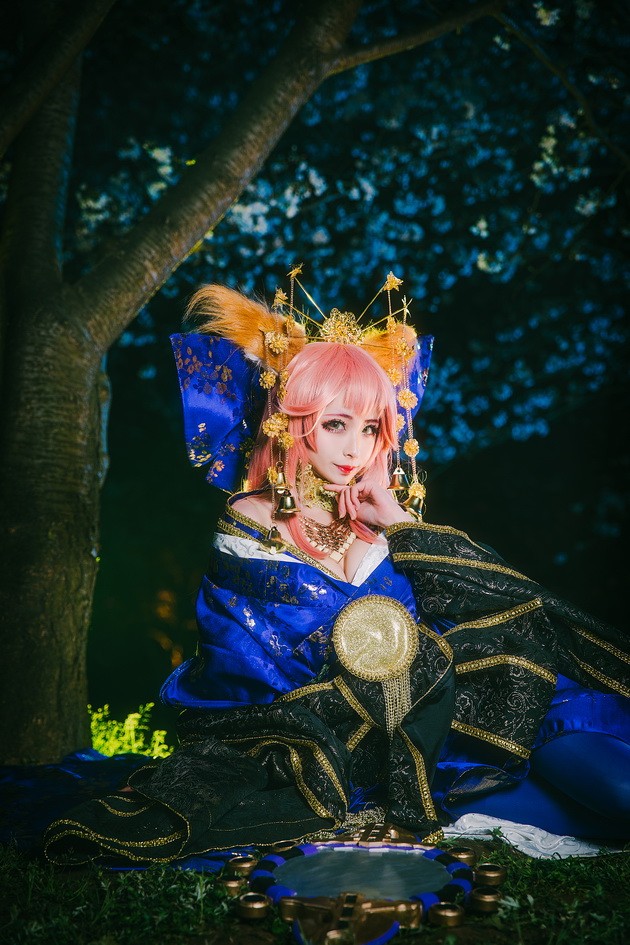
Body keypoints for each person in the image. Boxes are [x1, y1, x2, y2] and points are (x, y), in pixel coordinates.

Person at [44, 276, 630, 866]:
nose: (355, 448)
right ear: (290, 422)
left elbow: (501, 603)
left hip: (481, 715)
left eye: (370, 428)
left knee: (613, 784)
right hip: (373, 757)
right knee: (615, 809)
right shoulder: (252, 523)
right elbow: (246, 674)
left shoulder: (384, 512)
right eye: (335, 424)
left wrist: (397, 521)